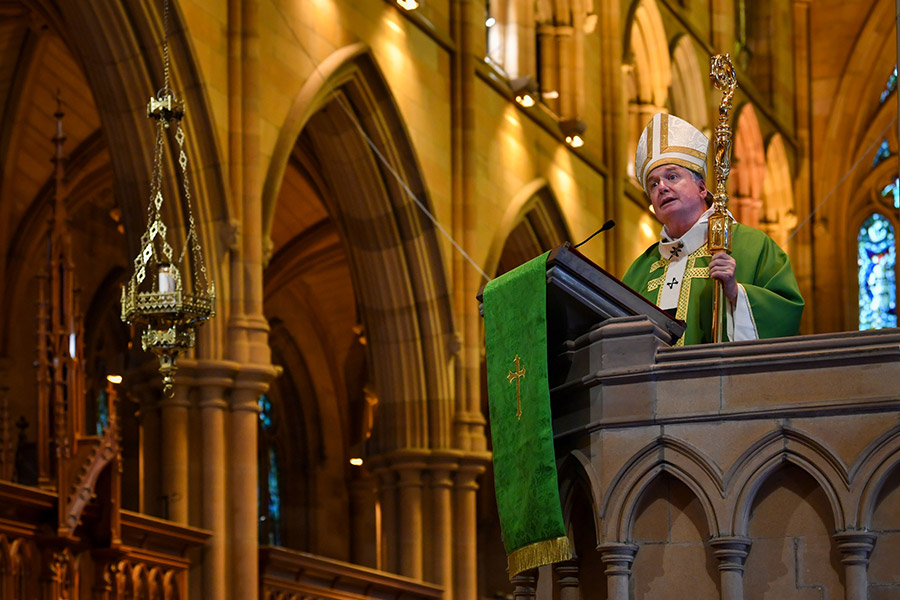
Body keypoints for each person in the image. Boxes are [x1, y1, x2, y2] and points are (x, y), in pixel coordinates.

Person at [622, 113, 804, 346]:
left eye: (672, 176)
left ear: (701, 188)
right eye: (653, 184)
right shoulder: (640, 270)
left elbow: (786, 315)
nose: (662, 187)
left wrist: (735, 294)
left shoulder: (751, 246)